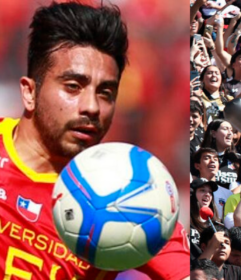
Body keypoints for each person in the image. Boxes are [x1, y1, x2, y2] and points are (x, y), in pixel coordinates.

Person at [0, 2, 189, 279]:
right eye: (73, 87)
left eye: (105, 92)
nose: (91, 106)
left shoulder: (136, 199)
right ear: (29, 92)